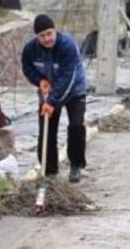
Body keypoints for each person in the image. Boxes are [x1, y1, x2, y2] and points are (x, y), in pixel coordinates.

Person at [21, 14, 87, 183]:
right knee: (47, 129)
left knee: (76, 126)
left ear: (55, 31)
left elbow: (67, 79)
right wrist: (40, 80)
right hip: (49, 91)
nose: (47, 39)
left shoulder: (67, 46)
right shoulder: (30, 49)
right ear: (37, 37)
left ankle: (76, 165)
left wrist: (51, 103)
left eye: (49, 33)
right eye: (42, 36)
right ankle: (50, 171)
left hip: (74, 90)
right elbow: (27, 68)